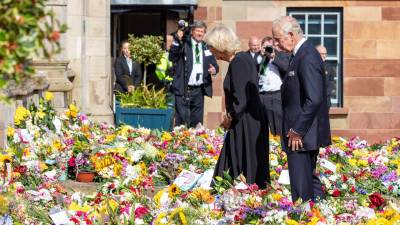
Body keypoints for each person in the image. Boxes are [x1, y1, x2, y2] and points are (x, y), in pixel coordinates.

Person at [272, 16, 331, 202]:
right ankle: (319, 215)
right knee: (309, 182)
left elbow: (314, 99)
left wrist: (297, 130)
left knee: (301, 189)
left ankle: (304, 218)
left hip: (300, 135)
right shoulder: (300, 54)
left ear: (290, 35)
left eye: (278, 39)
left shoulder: (306, 56)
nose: (276, 44)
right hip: (301, 133)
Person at [205, 24, 270, 188]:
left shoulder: (238, 62)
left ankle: (223, 193)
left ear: (220, 46)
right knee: (239, 160)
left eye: (212, 47)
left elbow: (241, 99)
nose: (210, 51)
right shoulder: (245, 58)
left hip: (244, 121)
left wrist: (228, 118)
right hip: (248, 119)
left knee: (233, 161)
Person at [169, 20, 219, 128]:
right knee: (181, 121)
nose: (200, 33)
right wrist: (177, 39)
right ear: (192, 31)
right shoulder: (184, 43)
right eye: (197, 30)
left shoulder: (206, 46)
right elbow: (172, 57)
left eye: (202, 31)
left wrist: (214, 70)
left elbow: (215, 64)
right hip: (183, 88)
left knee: (197, 122)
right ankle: (179, 143)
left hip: (199, 90)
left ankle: (196, 143)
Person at [258, 36, 283, 136]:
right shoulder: (260, 59)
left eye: (269, 46)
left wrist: (273, 56)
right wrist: (261, 53)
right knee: (263, 124)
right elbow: (259, 75)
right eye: (265, 47)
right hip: (263, 95)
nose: (267, 49)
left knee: (277, 124)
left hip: (276, 95)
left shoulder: (280, 56)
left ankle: (278, 149)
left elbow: (286, 67)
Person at [316, 45, 335, 109]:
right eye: (322, 54)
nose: (324, 56)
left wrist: (325, 94)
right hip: (314, 101)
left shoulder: (329, 67)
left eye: (325, 54)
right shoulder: (311, 65)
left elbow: (331, 82)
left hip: (325, 101)